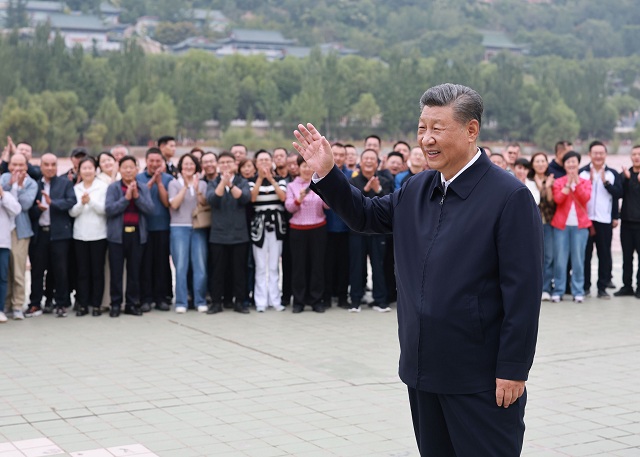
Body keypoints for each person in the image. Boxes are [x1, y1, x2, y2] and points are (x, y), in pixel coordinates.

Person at [293, 83, 542, 456]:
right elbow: (364, 215)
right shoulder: (417, 188)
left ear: (471, 130)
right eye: (422, 128)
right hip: (422, 368)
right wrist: (328, 174)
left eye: (437, 128)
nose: (426, 139)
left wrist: (513, 368)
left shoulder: (509, 197)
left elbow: (523, 292)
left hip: (480, 378)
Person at [27, 153, 77, 318]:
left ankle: (61, 303)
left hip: (60, 235)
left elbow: (71, 201)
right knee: (37, 271)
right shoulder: (34, 185)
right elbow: (28, 209)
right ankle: (35, 303)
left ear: (57, 166)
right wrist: (38, 209)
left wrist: (52, 203)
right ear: (40, 166)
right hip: (40, 233)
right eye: (46, 165)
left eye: (53, 165)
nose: (49, 168)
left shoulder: (65, 184)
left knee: (60, 270)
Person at [105, 156, 154, 317]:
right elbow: (110, 209)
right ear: (119, 170)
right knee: (116, 272)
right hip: (117, 236)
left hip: (137, 234)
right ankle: (116, 304)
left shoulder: (143, 188)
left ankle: (132, 303)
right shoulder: (113, 188)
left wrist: (137, 197)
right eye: (124, 167)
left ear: (136, 169)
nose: (128, 170)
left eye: (131, 167)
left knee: (134, 271)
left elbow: (149, 209)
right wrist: (126, 199)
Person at [347, 149, 393, 313]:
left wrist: (378, 189)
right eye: (365, 158)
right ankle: (355, 301)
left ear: (377, 163)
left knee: (378, 265)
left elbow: (390, 203)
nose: (368, 161)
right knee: (357, 265)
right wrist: (366, 190)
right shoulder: (352, 181)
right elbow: (351, 205)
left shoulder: (385, 180)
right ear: (360, 162)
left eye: (372, 159)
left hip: (378, 231)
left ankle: (380, 300)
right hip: (357, 231)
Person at [206, 151, 252, 314]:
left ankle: (239, 302)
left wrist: (230, 185)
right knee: (218, 271)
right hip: (218, 235)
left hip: (239, 235)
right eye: (222, 162)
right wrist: (222, 183)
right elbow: (212, 200)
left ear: (235, 165)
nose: (225, 165)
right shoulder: (213, 182)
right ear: (218, 166)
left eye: (228, 162)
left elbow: (245, 198)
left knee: (239, 270)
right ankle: (217, 302)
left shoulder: (241, 181)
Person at [285, 155, 329, 313]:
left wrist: (326, 193)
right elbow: (289, 207)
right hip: (298, 230)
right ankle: (299, 301)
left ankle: (316, 300)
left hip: (318, 228)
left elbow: (327, 206)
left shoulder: (319, 184)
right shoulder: (291, 186)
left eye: (309, 166)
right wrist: (299, 199)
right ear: (298, 168)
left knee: (317, 265)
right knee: (298, 266)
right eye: (303, 166)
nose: (306, 169)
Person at [579, 141, 622, 299]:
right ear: (589, 154)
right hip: (585, 221)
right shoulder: (582, 173)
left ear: (605, 154)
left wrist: (605, 183)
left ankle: (602, 287)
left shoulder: (612, 174)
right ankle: (585, 287)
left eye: (601, 153)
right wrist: (589, 183)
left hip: (604, 221)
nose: (598, 156)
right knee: (585, 255)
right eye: (595, 153)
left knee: (604, 254)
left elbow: (618, 194)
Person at [168, 153, 209, 314]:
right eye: (185, 164)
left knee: (200, 265)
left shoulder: (203, 184)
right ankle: (181, 301)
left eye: (191, 164)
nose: (188, 167)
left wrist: (197, 190)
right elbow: (175, 205)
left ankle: (200, 299)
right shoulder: (174, 184)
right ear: (180, 167)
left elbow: (205, 204)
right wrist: (185, 186)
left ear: (196, 166)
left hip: (198, 227)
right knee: (181, 266)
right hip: (179, 228)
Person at [550, 151, 592, 303]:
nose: (571, 165)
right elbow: (558, 199)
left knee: (578, 260)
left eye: (574, 162)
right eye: (568, 162)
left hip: (580, 227)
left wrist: (577, 184)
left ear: (578, 163)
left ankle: (578, 291)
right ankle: (559, 290)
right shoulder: (559, 181)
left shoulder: (585, 182)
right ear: (565, 165)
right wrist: (568, 184)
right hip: (561, 226)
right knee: (560, 260)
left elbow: (585, 198)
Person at [69, 157, 108, 316]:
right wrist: (82, 204)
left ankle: (97, 304)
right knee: (82, 272)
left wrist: (90, 201)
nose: (87, 171)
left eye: (90, 168)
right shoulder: (76, 188)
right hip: (80, 235)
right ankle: (83, 304)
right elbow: (72, 212)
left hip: (99, 234)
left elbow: (105, 210)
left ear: (95, 170)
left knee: (97, 272)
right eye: (84, 168)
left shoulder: (103, 187)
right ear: (79, 171)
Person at [249, 150, 287, 312]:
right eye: (260, 160)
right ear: (256, 163)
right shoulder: (251, 181)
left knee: (273, 265)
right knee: (260, 265)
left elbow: (283, 197)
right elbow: (252, 198)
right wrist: (260, 178)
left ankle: (275, 300)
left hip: (276, 224)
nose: (264, 163)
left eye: (266, 160)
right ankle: (260, 301)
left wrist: (270, 178)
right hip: (259, 226)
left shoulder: (280, 180)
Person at [0, 152, 37, 320]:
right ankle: (5, 304)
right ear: (9, 166)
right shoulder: (3, 179)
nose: (17, 168)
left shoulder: (31, 184)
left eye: (21, 165)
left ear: (26, 166)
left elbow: (26, 204)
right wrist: (10, 185)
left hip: (21, 231)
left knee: (18, 270)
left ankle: (17, 305)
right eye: (14, 165)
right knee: (4, 270)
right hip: (3, 230)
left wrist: (19, 188)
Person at [137, 147, 174, 312]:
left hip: (162, 227)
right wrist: (152, 181)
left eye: (158, 161)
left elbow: (167, 203)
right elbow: (140, 198)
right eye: (151, 161)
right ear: (146, 161)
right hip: (144, 227)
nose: (154, 164)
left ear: (163, 162)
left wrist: (159, 183)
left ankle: (161, 298)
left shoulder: (169, 179)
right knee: (145, 264)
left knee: (161, 263)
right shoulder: (138, 178)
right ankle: (146, 298)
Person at [323, 143, 352, 309]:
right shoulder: (323, 173)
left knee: (344, 265)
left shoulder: (351, 175)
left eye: (342, 155)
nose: (339, 158)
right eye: (336, 154)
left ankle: (342, 297)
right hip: (326, 228)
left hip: (346, 228)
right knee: (327, 265)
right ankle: (326, 297)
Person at [528, 152, 556, 301]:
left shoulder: (552, 179)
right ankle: (533, 288)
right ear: (532, 164)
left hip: (549, 223)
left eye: (543, 161)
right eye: (537, 161)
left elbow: (551, 203)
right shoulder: (528, 180)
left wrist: (546, 188)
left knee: (549, 257)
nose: (540, 164)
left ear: (547, 163)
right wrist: (539, 188)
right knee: (533, 257)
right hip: (531, 225)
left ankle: (545, 288)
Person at [615, 144, 640, 298]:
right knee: (627, 257)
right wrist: (627, 180)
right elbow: (617, 194)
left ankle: (639, 287)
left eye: (639, 154)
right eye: (634, 154)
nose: (637, 157)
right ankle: (626, 286)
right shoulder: (624, 175)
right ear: (631, 157)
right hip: (626, 222)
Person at [0, 180, 22, 323]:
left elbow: (16, 209)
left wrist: (2, 195)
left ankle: (1, 309)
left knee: (2, 277)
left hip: (3, 243)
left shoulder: (6, 196)